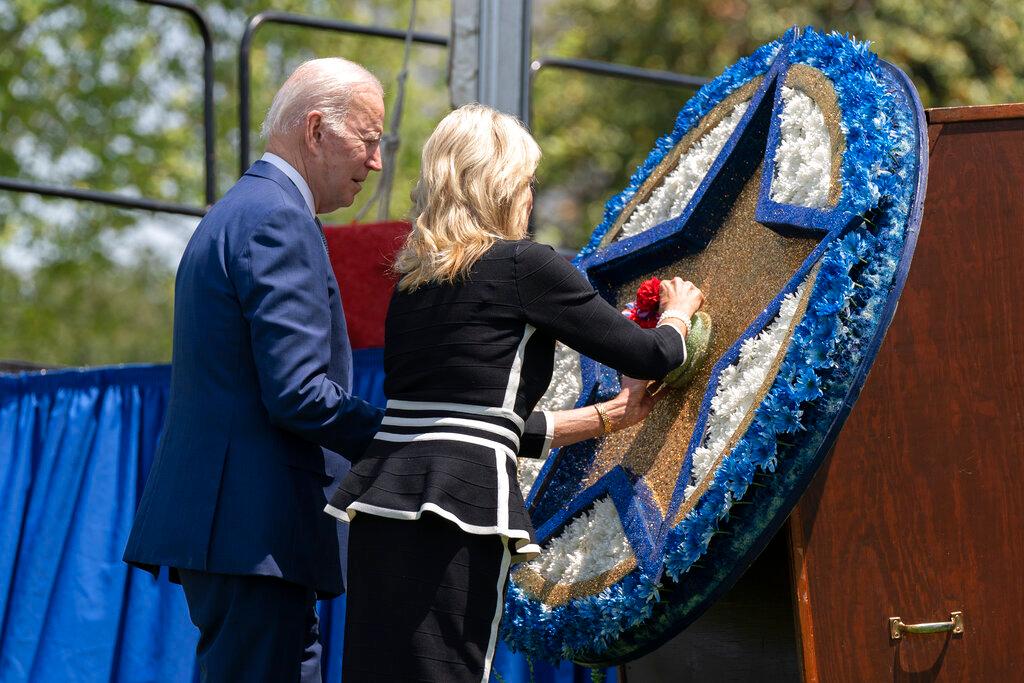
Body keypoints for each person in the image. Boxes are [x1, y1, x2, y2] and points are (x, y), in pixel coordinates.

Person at [326, 103, 705, 683]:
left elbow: (462, 420)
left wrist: (601, 418)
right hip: (461, 506)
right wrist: (678, 313)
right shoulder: (525, 267)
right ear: (502, 186)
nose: (531, 196)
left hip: (386, 500)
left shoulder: (413, 282)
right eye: (528, 182)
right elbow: (653, 355)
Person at [123, 58, 386, 682]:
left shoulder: (242, 209)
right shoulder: (277, 218)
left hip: (244, 533)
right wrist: (410, 437)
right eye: (369, 140)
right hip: (255, 535)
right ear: (318, 129)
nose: (375, 162)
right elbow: (298, 393)